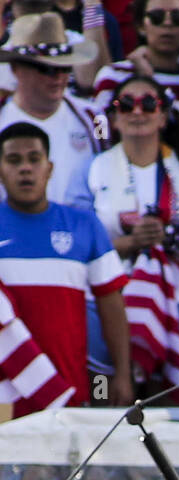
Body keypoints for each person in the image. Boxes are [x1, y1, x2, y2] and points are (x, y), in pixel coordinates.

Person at [66, 74, 179, 396]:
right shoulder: (91, 170)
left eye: (149, 103)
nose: (137, 111)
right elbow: (73, 247)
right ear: (114, 116)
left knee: (175, 406)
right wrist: (129, 243)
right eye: (126, 104)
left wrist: (170, 241)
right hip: (108, 303)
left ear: (164, 115)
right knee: (106, 400)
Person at [0, 122, 132, 406]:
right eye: (14, 160)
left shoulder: (85, 225)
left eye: (34, 159)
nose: (25, 168)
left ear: (49, 168)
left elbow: (112, 307)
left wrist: (123, 374)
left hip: (66, 393)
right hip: (4, 400)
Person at [0, 11, 101, 203]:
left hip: (78, 227)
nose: (58, 77)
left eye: (64, 68)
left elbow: (110, 166)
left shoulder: (95, 117)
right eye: (46, 69)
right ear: (15, 69)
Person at [92, 0, 179, 113]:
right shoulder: (114, 75)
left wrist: (149, 81)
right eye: (157, 16)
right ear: (140, 26)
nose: (167, 23)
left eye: (177, 17)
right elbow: (99, 126)